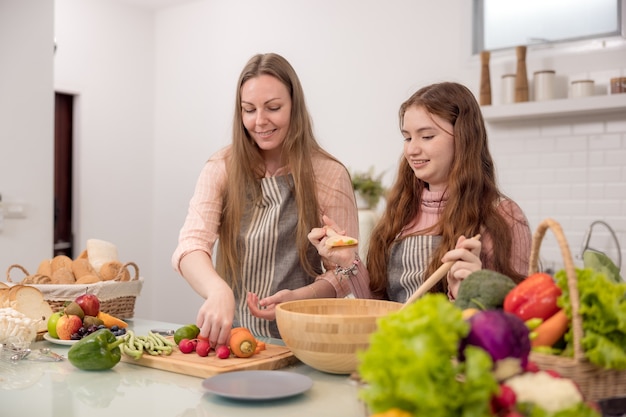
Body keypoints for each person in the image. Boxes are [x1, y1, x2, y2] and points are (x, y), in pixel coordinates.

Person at [171, 53, 370, 345]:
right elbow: (190, 246)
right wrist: (218, 290)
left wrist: (297, 299)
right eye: (248, 110)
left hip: (303, 340)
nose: (259, 121)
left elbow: (345, 269)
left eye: (273, 108)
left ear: (295, 107)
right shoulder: (221, 167)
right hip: (233, 339)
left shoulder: (328, 174)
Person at [308, 82, 532, 303]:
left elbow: (517, 317)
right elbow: (379, 309)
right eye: (407, 137)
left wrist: (470, 291)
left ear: (464, 139)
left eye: (426, 136)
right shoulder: (401, 211)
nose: (412, 150)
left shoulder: (503, 215)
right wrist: (349, 261)